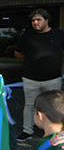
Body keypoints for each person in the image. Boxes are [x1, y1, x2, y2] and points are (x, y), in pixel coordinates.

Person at [14, 9, 64, 142]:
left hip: (53, 79)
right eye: (33, 20)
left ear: (47, 21)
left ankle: (56, 132)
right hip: (31, 79)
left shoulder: (59, 34)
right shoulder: (27, 35)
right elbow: (18, 53)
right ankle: (27, 131)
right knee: (30, 105)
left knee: (54, 106)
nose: (35, 22)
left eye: (38, 19)